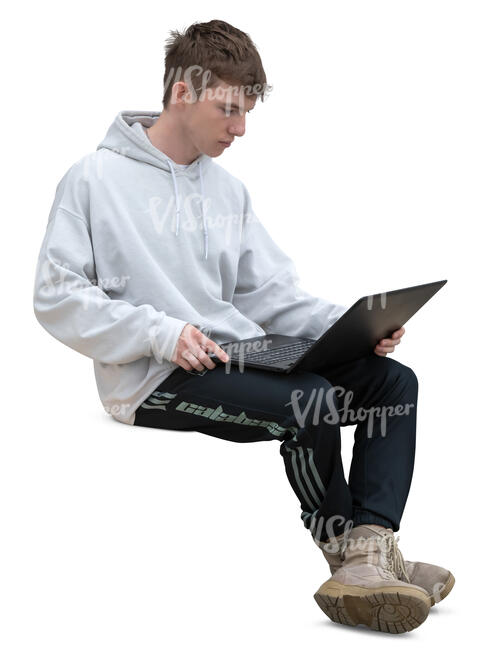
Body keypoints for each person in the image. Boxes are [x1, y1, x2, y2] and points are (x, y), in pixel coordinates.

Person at [32, 19, 454, 634]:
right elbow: (55, 295)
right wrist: (161, 332)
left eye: (247, 110)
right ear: (182, 93)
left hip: (240, 352)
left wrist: (351, 327)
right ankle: (345, 559)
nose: (241, 128)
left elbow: (271, 293)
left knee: (392, 381)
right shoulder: (93, 180)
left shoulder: (227, 191)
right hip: (155, 374)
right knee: (312, 402)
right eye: (228, 109)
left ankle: (372, 551)